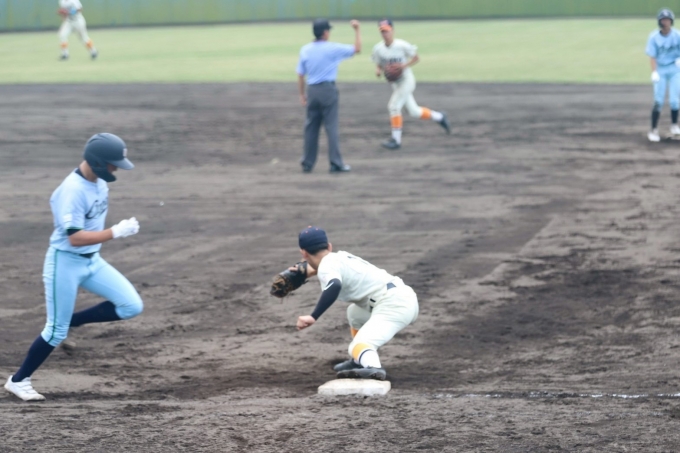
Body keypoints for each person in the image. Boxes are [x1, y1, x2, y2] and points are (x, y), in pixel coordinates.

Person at [4, 133, 142, 401]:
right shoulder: (72, 190)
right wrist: (115, 232)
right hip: (65, 263)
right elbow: (75, 238)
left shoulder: (99, 182)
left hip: (92, 261)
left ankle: (72, 322)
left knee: (131, 306)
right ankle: (18, 380)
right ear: (98, 162)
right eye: (112, 164)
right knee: (55, 331)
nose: (115, 169)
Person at [295, 227, 419, 380]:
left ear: (304, 253)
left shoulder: (326, 266)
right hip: (401, 297)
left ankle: (373, 367)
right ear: (329, 246)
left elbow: (334, 285)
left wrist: (313, 316)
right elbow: (330, 272)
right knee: (354, 313)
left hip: (393, 304)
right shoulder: (340, 257)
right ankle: (358, 361)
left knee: (358, 345)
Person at [371, 19, 450, 150]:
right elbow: (378, 64)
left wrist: (403, 66)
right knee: (414, 112)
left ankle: (396, 140)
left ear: (392, 30)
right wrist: (378, 71)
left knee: (394, 107)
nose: (385, 34)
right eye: (382, 31)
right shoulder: (378, 49)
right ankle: (440, 117)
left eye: (387, 31)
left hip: (407, 80)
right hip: (396, 84)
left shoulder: (401, 45)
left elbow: (416, 58)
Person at [297, 19, 361, 173]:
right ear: (325, 33)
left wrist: (302, 94)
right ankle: (335, 163)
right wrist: (357, 30)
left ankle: (307, 163)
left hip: (312, 90)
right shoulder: (332, 48)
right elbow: (357, 49)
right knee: (331, 126)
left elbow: (300, 74)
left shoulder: (305, 49)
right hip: (327, 91)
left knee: (311, 127)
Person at [646, 8, 680, 142]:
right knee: (658, 100)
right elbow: (652, 56)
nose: (665, 22)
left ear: (671, 21)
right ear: (659, 21)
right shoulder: (654, 37)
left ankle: (674, 126)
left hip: (674, 69)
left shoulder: (677, 35)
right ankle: (653, 130)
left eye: (667, 20)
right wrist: (654, 72)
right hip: (661, 69)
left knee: (674, 100)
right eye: (663, 20)